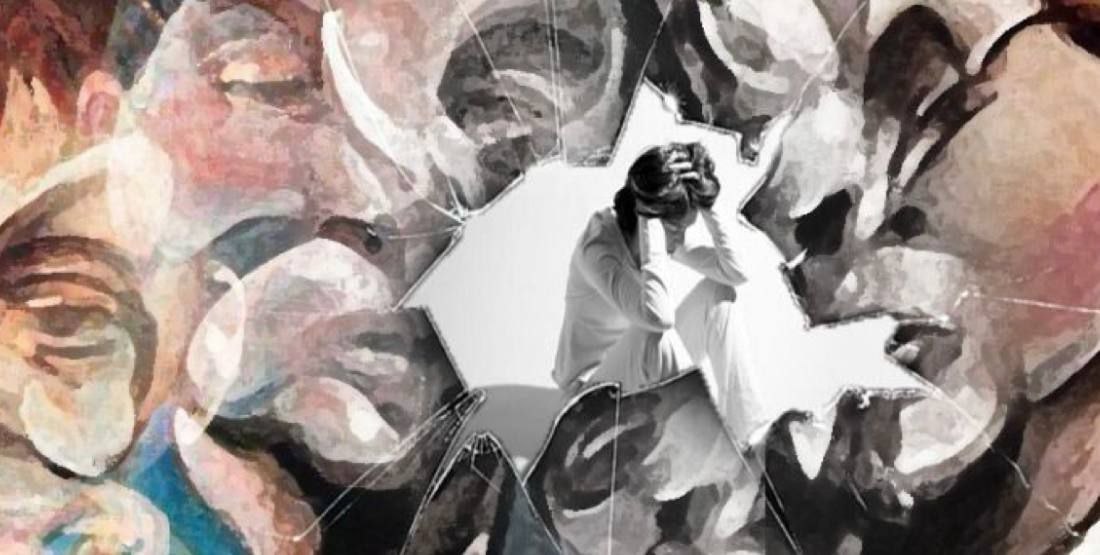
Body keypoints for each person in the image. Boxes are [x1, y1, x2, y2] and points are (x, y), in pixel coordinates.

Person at [553, 141, 747, 395]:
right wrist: (649, 215)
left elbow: (735, 272)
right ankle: (699, 420)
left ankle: (745, 420)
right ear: (648, 219)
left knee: (718, 294)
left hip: (640, 378)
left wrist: (707, 200)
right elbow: (658, 318)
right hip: (588, 396)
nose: (680, 239)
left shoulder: (662, 238)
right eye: (675, 229)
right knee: (655, 335)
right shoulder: (597, 249)